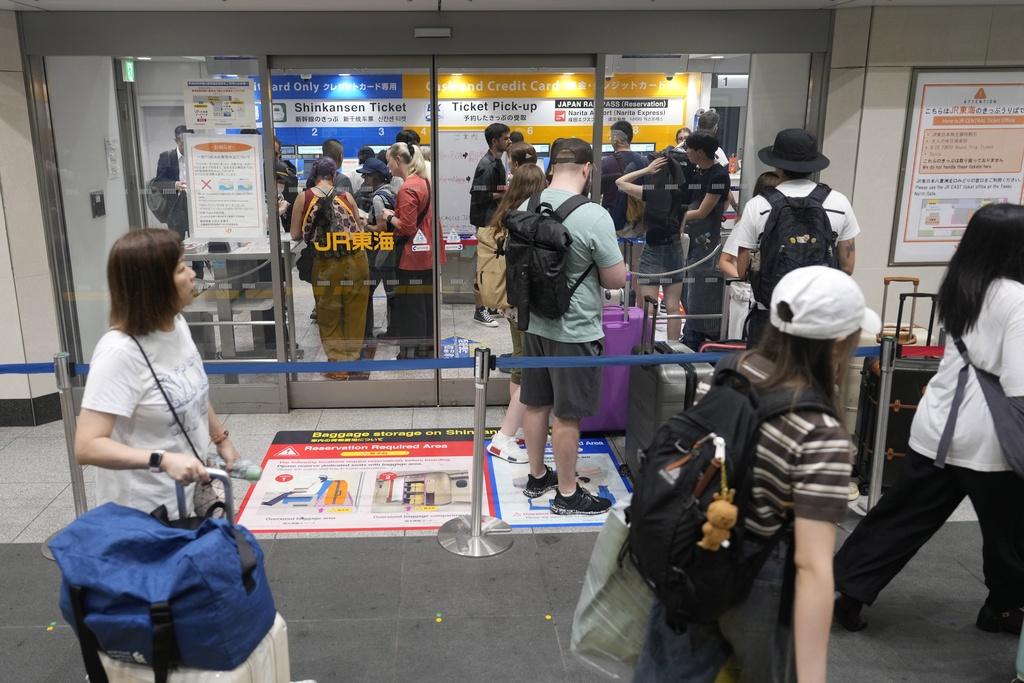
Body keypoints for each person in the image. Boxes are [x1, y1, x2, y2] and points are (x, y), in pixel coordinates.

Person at [635, 265, 879, 683]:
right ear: (840, 343)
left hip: (695, 548)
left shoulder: (735, 369)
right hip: (758, 575)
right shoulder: (820, 432)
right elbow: (812, 565)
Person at [833, 203, 1024, 637]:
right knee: (1010, 535)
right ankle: (1004, 607)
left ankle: (848, 592)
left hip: (937, 426)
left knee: (898, 519)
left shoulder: (961, 283)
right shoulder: (1017, 299)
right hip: (991, 440)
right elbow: (1019, 384)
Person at [74, 229, 240, 518]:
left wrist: (220, 438)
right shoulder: (119, 352)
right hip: (144, 513)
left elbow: (191, 391)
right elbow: (87, 446)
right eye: (180, 269)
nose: (191, 275)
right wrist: (161, 460)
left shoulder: (177, 324)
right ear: (153, 285)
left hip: (190, 500)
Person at [519, 138, 627, 515]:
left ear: (551, 168)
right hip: (575, 329)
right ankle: (567, 494)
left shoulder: (527, 205)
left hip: (532, 324)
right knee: (567, 414)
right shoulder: (594, 215)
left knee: (535, 403)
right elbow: (615, 280)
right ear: (587, 169)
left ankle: (537, 477)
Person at [732, 129, 859, 346]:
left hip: (770, 316)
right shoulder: (839, 203)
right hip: (819, 317)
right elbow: (847, 267)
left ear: (777, 165)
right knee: (812, 378)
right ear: (813, 165)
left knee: (766, 377)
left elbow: (742, 269)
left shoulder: (758, 206)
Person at [484, 163, 547, 464]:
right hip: (525, 303)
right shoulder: (531, 217)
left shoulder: (505, 213)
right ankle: (505, 436)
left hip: (509, 302)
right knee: (530, 368)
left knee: (521, 361)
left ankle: (518, 425)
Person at [290, 156, 369, 380]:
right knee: (355, 311)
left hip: (325, 263)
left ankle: (337, 365)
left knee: (328, 312)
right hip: (356, 260)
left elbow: (296, 234)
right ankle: (352, 360)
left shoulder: (303, 198)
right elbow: (360, 231)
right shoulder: (346, 196)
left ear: (314, 176)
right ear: (333, 176)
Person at [615, 155, 687, 340]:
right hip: (675, 250)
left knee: (648, 307)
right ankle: (673, 349)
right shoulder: (680, 192)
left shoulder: (651, 192)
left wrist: (646, 170)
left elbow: (620, 182)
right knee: (673, 306)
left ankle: (647, 350)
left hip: (653, 250)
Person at [382, 141, 438, 359]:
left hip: (411, 256)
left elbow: (407, 226)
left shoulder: (407, 187)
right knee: (424, 303)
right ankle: (426, 350)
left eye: (389, 162)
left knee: (411, 306)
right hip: (426, 253)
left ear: (398, 160)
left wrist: (388, 216)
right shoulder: (425, 182)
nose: (388, 167)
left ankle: (411, 353)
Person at [679, 130, 730, 349]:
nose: (686, 152)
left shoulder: (718, 175)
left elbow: (702, 211)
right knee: (685, 289)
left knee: (698, 290)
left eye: (688, 148)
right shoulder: (697, 171)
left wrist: (673, 215)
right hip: (689, 237)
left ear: (699, 151)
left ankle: (694, 336)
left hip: (705, 241)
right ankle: (691, 332)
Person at [469, 122, 512, 328]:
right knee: (483, 268)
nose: (509, 141)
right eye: (505, 138)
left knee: (493, 266)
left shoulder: (496, 161)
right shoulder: (486, 165)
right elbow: (478, 194)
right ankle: (480, 310)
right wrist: (504, 193)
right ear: (494, 141)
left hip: (493, 222)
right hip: (486, 224)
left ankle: (490, 304)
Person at [356, 157, 397, 355]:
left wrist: (365, 224)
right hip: (391, 250)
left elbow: (381, 228)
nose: (364, 178)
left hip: (380, 251)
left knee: (367, 291)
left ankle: (368, 333)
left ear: (376, 176)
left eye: (367, 175)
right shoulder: (391, 192)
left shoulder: (378, 198)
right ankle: (394, 329)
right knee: (391, 291)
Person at [719, 171, 781, 279]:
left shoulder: (781, 220)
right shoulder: (748, 221)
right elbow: (725, 261)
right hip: (751, 290)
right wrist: (746, 279)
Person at [600, 120, 647, 233]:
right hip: (637, 222)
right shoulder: (645, 162)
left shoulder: (605, 163)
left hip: (612, 222)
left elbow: (598, 191)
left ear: (616, 138)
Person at [154, 125, 192, 241]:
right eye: (182, 143)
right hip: (175, 207)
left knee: (199, 244)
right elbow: (158, 183)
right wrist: (175, 185)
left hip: (195, 206)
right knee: (176, 244)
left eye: (189, 142)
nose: (186, 146)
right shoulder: (167, 157)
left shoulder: (197, 155)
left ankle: (199, 260)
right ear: (176, 140)